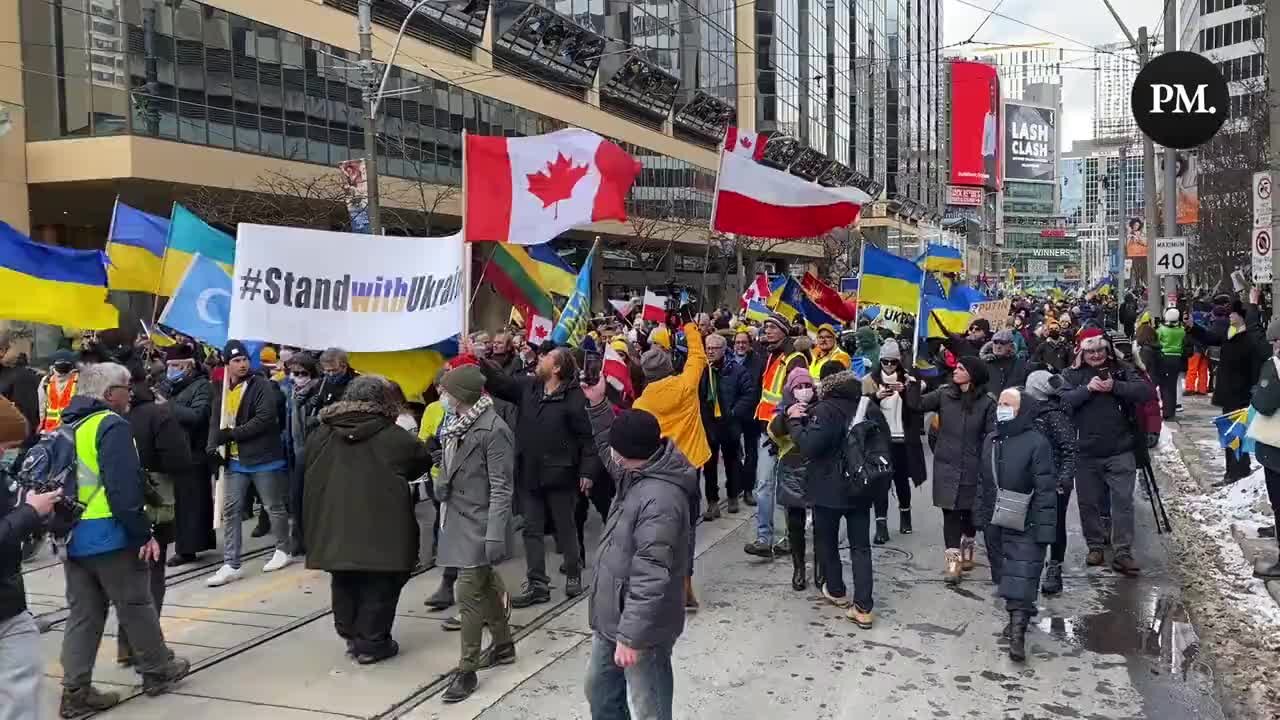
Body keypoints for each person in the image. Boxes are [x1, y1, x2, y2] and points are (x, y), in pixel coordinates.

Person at [57, 363, 191, 717]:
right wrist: (142, 532)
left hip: (72, 534)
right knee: (135, 604)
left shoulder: (68, 424)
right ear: (107, 394)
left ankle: (75, 691)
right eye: (125, 386)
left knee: (83, 614)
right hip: (109, 533)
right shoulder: (110, 424)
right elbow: (123, 487)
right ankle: (157, 671)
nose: (130, 393)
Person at [581, 380, 697, 720]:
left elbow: (650, 575)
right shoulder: (636, 470)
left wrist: (631, 637)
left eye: (617, 448)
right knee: (600, 692)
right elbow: (608, 447)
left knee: (650, 706)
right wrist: (599, 404)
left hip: (642, 629)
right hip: (612, 619)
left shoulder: (660, 498)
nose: (611, 454)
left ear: (628, 452)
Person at [304, 376, 430, 664]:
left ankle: (350, 633)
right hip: (383, 523)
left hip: (332, 521)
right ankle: (372, 643)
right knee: (381, 581)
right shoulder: (393, 435)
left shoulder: (321, 433)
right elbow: (420, 462)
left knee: (345, 574)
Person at [481, 347, 597, 607]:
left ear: (556, 368)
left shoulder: (575, 398)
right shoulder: (529, 388)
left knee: (564, 526)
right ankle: (537, 585)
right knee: (531, 529)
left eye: (546, 358)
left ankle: (573, 574)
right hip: (530, 473)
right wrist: (479, 360)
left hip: (562, 474)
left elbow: (587, 439)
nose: (540, 359)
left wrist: (587, 472)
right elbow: (500, 384)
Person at [432, 366, 517, 702]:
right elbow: (451, 465)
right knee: (485, 585)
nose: (443, 396)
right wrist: (442, 481)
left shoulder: (494, 429)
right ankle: (504, 646)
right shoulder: (456, 424)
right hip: (458, 517)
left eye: (447, 391)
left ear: (462, 395)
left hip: (480, 523)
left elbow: (501, 486)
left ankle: (467, 670)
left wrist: (495, 534)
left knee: (467, 594)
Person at [786, 367, 886, 628]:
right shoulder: (870, 408)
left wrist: (794, 422)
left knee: (827, 542)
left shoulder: (824, 410)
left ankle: (837, 590)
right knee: (861, 547)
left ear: (828, 388)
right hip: (861, 487)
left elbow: (809, 446)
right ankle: (864, 607)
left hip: (827, 488)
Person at [1061, 328, 1153, 576]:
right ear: (1082, 352)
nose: (1096, 355)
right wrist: (1087, 390)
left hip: (1120, 449)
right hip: (1086, 451)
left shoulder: (1122, 368)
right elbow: (1062, 401)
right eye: (1090, 351)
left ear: (1107, 349)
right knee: (1088, 503)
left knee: (1123, 502)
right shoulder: (1072, 374)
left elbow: (1145, 392)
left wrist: (1115, 386)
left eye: (1100, 349)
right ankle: (1095, 546)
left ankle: (1122, 551)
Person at [633, 322, 710, 609]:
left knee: (663, 530)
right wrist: (690, 327)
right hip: (690, 466)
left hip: (660, 473)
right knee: (687, 529)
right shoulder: (685, 385)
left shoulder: (641, 403)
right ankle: (685, 584)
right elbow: (698, 357)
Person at [118, 366, 192, 666]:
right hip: (153, 503)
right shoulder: (158, 415)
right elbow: (178, 459)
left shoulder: (103, 418)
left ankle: (125, 643)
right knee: (151, 574)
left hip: (108, 506)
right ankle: (145, 648)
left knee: (124, 578)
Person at [978, 388, 1058, 662]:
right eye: (999, 402)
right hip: (996, 521)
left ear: (1022, 409)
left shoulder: (1038, 443)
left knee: (1022, 576)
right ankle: (1014, 621)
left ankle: (1018, 634)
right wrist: (981, 516)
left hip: (1027, 521)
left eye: (1008, 404)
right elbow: (983, 483)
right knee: (1005, 574)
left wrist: (1046, 530)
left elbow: (1046, 491)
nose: (1001, 407)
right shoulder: (992, 439)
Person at [206, 340, 293, 587]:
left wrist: (233, 434)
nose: (242, 364)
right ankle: (231, 563)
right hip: (234, 461)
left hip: (263, 457)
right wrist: (212, 447)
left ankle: (283, 549)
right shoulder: (221, 388)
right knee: (231, 510)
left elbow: (265, 418)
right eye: (236, 361)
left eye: (244, 359)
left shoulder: (261, 384)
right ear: (227, 365)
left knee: (273, 505)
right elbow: (216, 419)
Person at [906, 356, 996, 583]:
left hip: (973, 467)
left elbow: (992, 436)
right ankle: (952, 564)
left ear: (973, 375)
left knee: (969, 513)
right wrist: (914, 384)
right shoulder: (945, 394)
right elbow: (916, 405)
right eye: (956, 367)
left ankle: (968, 548)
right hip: (946, 465)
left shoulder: (987, 403)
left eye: (962, 368)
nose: (956, 370)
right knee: (950, 513)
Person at [0, 396, 62, 720]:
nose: (4, 454)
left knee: (23, 685)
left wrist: (39, 512)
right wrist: (28, 513)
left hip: (9, 605)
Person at [1187, 292, 1267, 484]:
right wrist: (1192, 328)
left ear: (1243, 317)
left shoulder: (1249, 340)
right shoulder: (1229, 335)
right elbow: (1210, 337)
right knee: (1230, 435)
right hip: (1228, 393)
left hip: (1241, 394)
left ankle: (1237, 472)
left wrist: (1254, 305)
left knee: (1235, 436)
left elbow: (1256, 362)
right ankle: (1234, 471)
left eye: (1234, 313)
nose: (1230, 315)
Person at [746, 313, 808, 558]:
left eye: (773, 327)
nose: (768, 331)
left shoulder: (795, 359)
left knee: (786, 488)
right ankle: (764, 538)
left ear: (784, 330)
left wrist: (781, 428)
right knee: (763, 486)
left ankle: (790, 538)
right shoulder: (771, 354)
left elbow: (796, 396)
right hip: (766, 430)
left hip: (785, 434)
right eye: (766, 327)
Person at [155, 344, 215, 566]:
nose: (173, 370)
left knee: (192, 502)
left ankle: (188, 548)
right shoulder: (166, 386)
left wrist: (167, 406)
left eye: (178, 366)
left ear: (190, 366)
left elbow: (198, 415)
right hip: (171, 451)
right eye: (170, 366)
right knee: (176, 502)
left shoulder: (202, 387)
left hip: (193, 451)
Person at [862, 339, 925, 542]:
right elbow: (862, 410)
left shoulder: (909, 379)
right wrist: (876, 396)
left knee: (901, 482)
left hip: (903, 439)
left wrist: (907, 390)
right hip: (880, 440)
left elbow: (916, 406)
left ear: (899, 362)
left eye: (893, 362)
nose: (889, 366)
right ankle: (881, 526)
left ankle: (905, 516)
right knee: (881, 483)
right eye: (885, 362)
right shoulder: (869, 380)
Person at [768, 368, 823, 591]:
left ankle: (821, 568)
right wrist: (788, 415)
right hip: (791, 467)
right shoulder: (783, 407)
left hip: (818, 468)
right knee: (795, 523)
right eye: (798, 387)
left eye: (806, 386)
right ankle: (799, 568)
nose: (803, 391)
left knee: (822, 522)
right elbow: (773, 432)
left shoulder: (822, 407)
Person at [1023, 371, 1078, 596]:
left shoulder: (1054, 415)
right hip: (1028, 479)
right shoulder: (1025, 412)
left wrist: (1064, 479)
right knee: (1028, 526)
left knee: (1054, 526)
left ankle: (1054, 567)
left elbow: (1069, 448)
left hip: (1053, 481)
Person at [698, 332, 752, 519]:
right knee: (709, 465)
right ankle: (712, 502)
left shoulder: (736, 370)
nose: (710, 352)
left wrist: (734, 412)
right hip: (709, 424)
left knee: (732, 462)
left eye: (714, 348)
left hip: (729, 424)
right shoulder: (702, 369)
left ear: (724, 350)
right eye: (708, 348)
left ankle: (732, 496)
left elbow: (748, 395)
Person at [282, 352, 320, 556]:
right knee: (296, 499)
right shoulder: (291, 393)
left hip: (314, 452)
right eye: (293, 373)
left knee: (313, 499)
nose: (296, 376)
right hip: (295, 451)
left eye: (301, 373)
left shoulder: (319, 392)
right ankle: (299, 539)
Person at [731, 330, 765, 508]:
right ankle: (736, 485)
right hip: (733, 415)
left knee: (752, 453)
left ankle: (748, 489)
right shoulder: (728, 361)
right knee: (734, 451)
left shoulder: (758, 362)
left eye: (744, 342)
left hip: (751, 414)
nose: (740, 346)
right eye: (737, 342)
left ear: (749, 344)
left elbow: (758, 388)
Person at [306, 347, 359, 422]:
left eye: (334, 370)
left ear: (344, 366)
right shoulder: (322, 382)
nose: (330, 374)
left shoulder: (358, 382)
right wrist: (310, 403)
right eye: (327, 370)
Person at [37, 349, 79, 433]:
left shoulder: (46, 380)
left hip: (60, 431)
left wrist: (41, 423)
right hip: (67, 430)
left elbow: (42, 406)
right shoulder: (78, 379)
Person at [1155, 308, 1186, 419]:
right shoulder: (1182, 330)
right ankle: (1172, 411)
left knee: (1164, 386)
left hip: (1164, 358)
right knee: (1172, 385)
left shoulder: (1161, 330)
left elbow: (1156, 342)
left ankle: (1166, 410)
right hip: (1177, 359)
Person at [983, 329, 1029, 394]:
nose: (998, 346)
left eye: (1002, 343)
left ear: (1010, 346)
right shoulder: (985, 363)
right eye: (996, 342)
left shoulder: (1019, 364)